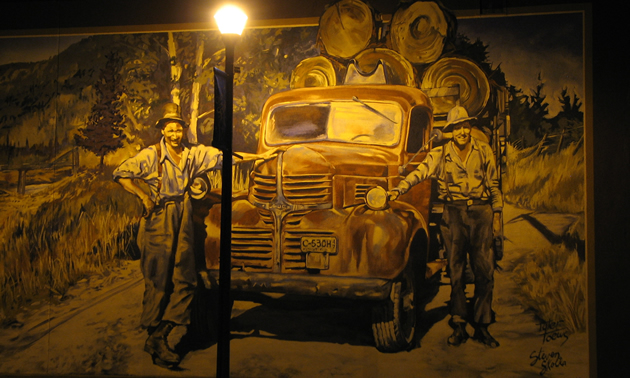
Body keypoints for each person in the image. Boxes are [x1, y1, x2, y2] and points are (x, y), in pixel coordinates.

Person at [113, 103, 272, 368]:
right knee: (158, 278)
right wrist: (142, 196)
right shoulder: (151, 156)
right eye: (170, 130)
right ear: (163, 130)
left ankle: (160, 335)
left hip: (183, 212)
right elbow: (120, 174)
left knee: (185, 278)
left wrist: (263, 157)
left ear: (183, 130)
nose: (175, 135)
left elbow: (227, 157)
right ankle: (155, 337)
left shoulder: (192, 154)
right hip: (160, 216)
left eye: (179, 130)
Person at [388, 105, 503, 348]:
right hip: (453, 215)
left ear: (470, 127)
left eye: (465, 126)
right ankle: (459, 325)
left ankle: (482, 326)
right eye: (457, 127)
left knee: (485, 272)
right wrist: (398, 189)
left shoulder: (483, 151)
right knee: (456, 272)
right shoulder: (439, 155)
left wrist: (497, 216)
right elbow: (418, 174)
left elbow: (493, 185)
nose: (462, 131)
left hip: (481, 213)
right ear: (450, 131)